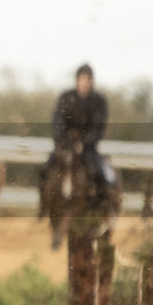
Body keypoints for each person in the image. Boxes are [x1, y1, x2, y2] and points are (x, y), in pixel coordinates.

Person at [48, 62, 113, 203]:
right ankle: (44, 205)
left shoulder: (98, 101)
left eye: (88, 79)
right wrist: (67, 142)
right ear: (77, 79)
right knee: (47, 168)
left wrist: (84, 143)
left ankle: (99, 204)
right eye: (82, 79)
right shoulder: (66, 97)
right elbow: (58, 122)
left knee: (98, 173)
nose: (85, 82)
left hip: (89, 148)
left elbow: (99, 127)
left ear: (91, 81)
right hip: (66, 145)